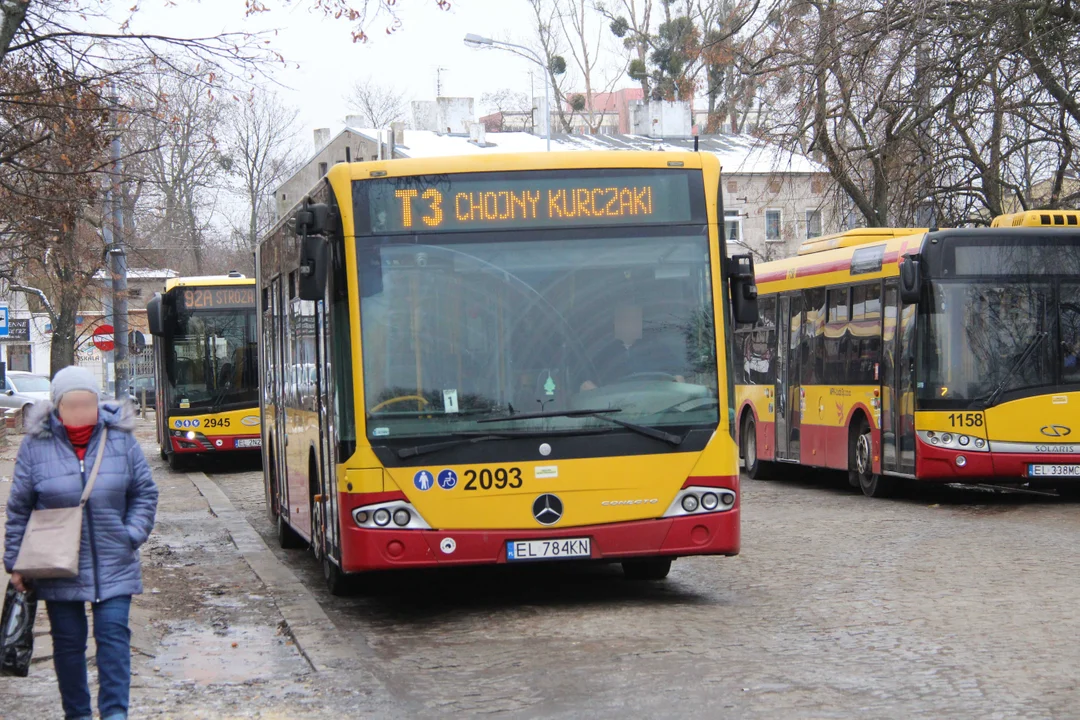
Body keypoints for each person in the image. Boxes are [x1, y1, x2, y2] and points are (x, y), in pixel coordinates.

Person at [3, 366, 158, 720]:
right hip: (57, 565)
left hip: (113, 561)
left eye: (87, 403)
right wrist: (16, 563)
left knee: (114, 640)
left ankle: (115, 713)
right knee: (69, 646)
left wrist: (131, 534)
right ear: (57, 406)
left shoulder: (119, 438)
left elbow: (145, 493)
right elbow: (19, 507)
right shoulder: (36, 444)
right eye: (72, 405)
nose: (80, 412)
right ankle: (77, 714)